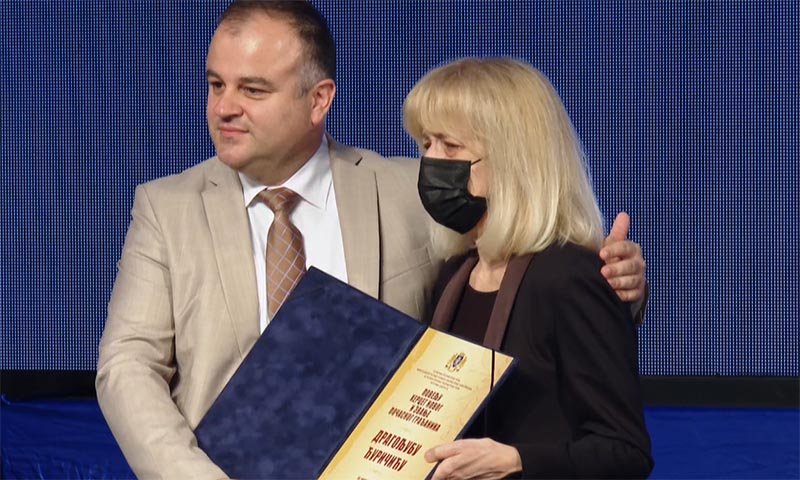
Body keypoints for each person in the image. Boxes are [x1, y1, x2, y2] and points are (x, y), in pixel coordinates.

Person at [95, 2, 647, 478]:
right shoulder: (165, 208)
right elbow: (127, 366)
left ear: (319, 99)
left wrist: (617, 283)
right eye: (216, 84)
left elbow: (526, 275)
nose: (224, 108)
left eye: (253, 89)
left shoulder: (416, 191)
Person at [403, 58, 653, 479]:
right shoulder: (454, 276)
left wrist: (517, 461)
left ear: (512, 159)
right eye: (426, 144)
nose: (431, 162)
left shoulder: (568, 278)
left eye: (450, 146)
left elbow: (624, 451)